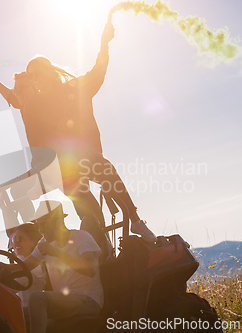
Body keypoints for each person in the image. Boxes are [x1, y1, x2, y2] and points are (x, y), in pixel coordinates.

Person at [23, 19, 156, 241]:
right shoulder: (32, 107)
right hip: (62, 170)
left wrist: (104, 44)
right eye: (31, 75)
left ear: (49, 71)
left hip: (88, 157)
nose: (35, 78)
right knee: (88, 214)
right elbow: (36, 145)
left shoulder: (74, 88)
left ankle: (135, 221)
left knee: (102, 166)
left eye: (38, 72)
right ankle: (101, 250)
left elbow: (98, 71)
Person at [0, 67, 107, 229]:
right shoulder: (25, 103)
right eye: (16, 88)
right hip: (43, 164)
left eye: (21, 88)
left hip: (63, 161)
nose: (17, 92)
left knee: (77, 192)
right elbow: (12, 97)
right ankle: (33, 232)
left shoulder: (47, 103)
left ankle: (98, 232)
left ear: (35, 87)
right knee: (19, 191)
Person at [0, 200, 104, 333]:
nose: (41, 230)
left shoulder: (81, 237)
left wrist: (56, 252)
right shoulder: (44, 243)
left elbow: (90, 269)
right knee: (13, 314)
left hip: (89, 301)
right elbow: (24, 268)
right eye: (39, 225)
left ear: (58, 221)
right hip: (64, 302)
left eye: (44, 225)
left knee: (37, 298)